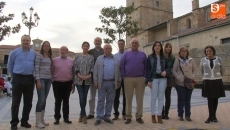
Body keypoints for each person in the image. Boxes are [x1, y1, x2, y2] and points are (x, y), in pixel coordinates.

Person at [7, 34, 36, 130]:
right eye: (24, 40)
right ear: (21, 41)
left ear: (30, 42)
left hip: (29, 78)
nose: (25, 42)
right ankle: (14, 123)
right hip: (18, 78)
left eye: (27, 40)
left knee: (28, 102)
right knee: (16, 102)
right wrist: (14, 75)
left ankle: (24, 121)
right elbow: (10, 65)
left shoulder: (33, 53)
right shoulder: (14, 52)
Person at [120, 38, 147, 124]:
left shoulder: (143, 54)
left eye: (136, 43)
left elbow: (146, 67)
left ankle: (139, 116)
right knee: (128, 98)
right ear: (130, 45)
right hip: (128, 79)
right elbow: (122, 66)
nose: (134, 44)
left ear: (138, 45)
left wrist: (145, 77)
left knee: (140, 98)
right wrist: (124, 76)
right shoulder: (126, 54)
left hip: (140, 79)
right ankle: (128, 116)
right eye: (133, 43)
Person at [94, 44, 121, 125]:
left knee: (110, 100)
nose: (108, 50)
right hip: (102, 82)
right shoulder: (99, 59)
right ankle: (99, 117)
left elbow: (119, 71)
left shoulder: (116, 59)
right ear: (104, 50)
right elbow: (95, 71)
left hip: (112, 83)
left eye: (109, 48)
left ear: (111, 49)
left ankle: (107, 116)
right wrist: (95, 81)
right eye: (106, 48)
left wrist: (119, 80)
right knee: (100, 100)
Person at [200, 45, 225, 123]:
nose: (208, 52)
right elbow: (201, 70)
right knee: (209, 99)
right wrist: (206, 75)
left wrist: (218, 75)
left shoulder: (219, 59)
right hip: (207, 80)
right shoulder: (203, 60)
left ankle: (214, 116)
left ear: (213, 51)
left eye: (210, 51)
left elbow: (223, 69)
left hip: (217, 80)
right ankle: (210, 116)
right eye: (207, 51)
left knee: (215, 98)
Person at [146, 41, 168, 124]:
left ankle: (159, 115)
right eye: (156, 45)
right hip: (154, 79)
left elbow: (168, 67)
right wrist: (148, 80)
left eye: (159, 45)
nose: (157, 47)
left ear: (161, 47)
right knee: (153, 97)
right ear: (154, 47)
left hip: (163, 79)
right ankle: (153, 115)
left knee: (161, 97)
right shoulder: (150, 57)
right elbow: (147, 69)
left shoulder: (164, 57)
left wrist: (166, 71)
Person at [51, 46, 75, 125]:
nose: (63, 51)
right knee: (57, 101)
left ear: (67, 51)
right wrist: (53, 81)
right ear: (59, 51)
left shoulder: (72, 61)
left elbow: (73, 73)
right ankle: (57, 118)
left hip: (68, 83)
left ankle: (66, 118)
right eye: (61, 50)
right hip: (57, 83)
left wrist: (73, 84)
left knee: (66, 101)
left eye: (64, 50)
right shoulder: (54, 60)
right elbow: (51, 71)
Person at [172, 46, 197, 121]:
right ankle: (180, 114)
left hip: (189, 82)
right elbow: (174, 70)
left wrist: (192, 76)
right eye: (182, 51)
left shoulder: (191, 60)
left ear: (187, 52)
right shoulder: (177, 60)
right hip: (180, 83)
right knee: (181, 98)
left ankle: (188, 115)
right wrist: (179, 77)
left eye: (185, 51)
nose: (183, 52)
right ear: (180, 53)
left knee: (188, 99)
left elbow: (195, 70)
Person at [74, 42, 94, 124]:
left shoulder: (91, 57)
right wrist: (79, 75)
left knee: (84, 97)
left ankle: (81, 114)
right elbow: (75, 66)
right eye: (84, 46)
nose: (85, 47)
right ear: (82, 47)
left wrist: (89, 76)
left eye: (87, 46)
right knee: (81, 96)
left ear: (88, 47)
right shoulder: (77, 56)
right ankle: (84, 115)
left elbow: (92, 67)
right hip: (79, 80)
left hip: (87, 80)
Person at [34, 41, 53, 128]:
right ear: (42, 47)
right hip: (41, 79)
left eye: (48, 46)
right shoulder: (39, 56)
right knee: (41, 99)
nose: (46, 47)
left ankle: (42, 119)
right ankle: (37, 122)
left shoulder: (49, 56)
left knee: (44, 100)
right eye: (45, 45)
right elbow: (36, 68)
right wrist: (37, 80)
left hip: (48, 80)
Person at [87, 37, 104, 119]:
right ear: (94, 42)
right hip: (92, 77)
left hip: (103, 77)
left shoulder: (105, 51)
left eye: (99, 41)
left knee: (101, 97)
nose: (97, 42)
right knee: (92, 96)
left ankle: (100, 113)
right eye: (96, 41)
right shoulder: (90, 52)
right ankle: (91, 113)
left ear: (101, 42)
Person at [112, 39, 126, 120]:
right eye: (119, 44)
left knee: (125, 96)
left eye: (122, 44)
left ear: (124, 45)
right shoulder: (115, 56)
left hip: (126, 78)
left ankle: (124, 113)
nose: (120, 45)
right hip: (117, 79)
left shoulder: (127, 54)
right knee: (116, 96)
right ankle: (116, 114)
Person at [162, 43, 175, 119]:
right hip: (161, 77)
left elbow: (173, 68)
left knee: (168, 96)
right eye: (167, 47)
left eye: (170, 47)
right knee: (161, 97)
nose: (168, 48)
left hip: (168, 78)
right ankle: (162, 112)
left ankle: (166, 113)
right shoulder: (161, 56)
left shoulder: (172, 58)